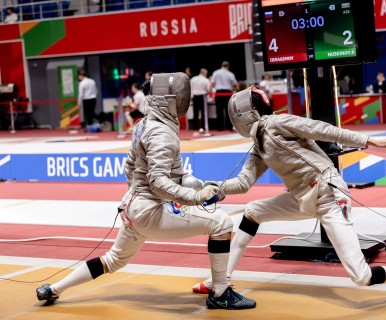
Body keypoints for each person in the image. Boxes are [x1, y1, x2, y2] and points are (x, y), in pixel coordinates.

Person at [191, 86, 386, 303]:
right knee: (252, 212)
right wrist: (216, 189)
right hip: (302, 197)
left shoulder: (277, 123)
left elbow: (321, 128)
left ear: (244, 114)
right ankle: (219, 280)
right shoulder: (259, 143)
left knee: (360, 276)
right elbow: (244, 182)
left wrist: (369, 141)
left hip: (328, 194)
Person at [36, 73, 256, 311]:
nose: (184, 101)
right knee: (222, 223)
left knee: (113, 259)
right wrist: (195, 198)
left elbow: (134, 167)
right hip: (150, 211)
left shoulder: (144, 124)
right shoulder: (162, 133)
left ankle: (53, 289)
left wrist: (194, 186)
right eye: (180, 97)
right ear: (166, 101)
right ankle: (221, 292)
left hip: (133, 208)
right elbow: (158, 181)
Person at [210, 61, 238, 131]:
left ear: (221, 65)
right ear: (228, 66)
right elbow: (235, 84)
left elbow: (212, 84)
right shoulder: (230, 74)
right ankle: (229, 127)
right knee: (228, 110)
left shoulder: (216, 72)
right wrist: (234, 90)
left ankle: (220, 128)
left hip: (218, 93)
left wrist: (210, 93)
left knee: (219, 111)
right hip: (227, 93)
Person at [190, 68, 210, 132]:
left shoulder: (193, 79)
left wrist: (191, 96)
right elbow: (208, 89)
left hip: (195, 97)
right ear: (204, 73)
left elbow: (190, 88)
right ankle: (203, 127)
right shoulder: (206, 80)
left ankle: (195, 127)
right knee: (204, 113)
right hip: (203, 97)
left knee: (195, 113)